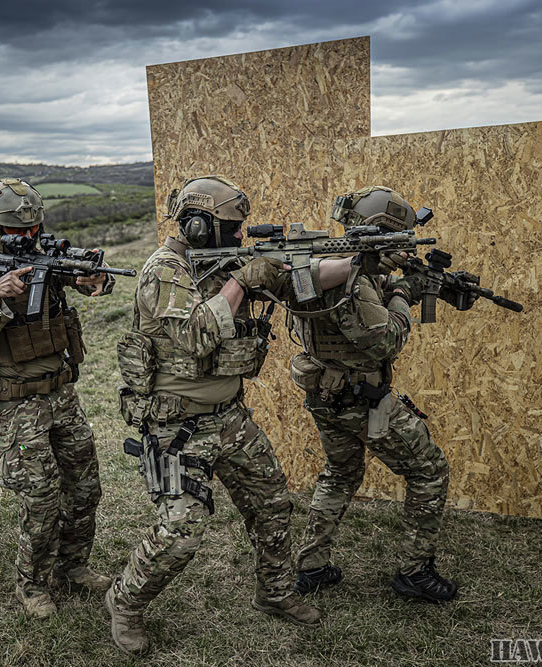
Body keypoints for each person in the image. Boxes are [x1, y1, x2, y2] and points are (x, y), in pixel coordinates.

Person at [106, 175, 359, 655]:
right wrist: (244, 280)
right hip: (174, 423)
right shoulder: (163, 271)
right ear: (198, 225)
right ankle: (125, 601)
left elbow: (298, 282)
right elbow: (199, 335)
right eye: (232, 228)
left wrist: (355, 266)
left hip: (228, 417)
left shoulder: (224, 264)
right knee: (181, 530)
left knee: (273, 506)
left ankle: (275, 592)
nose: (241, 238)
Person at [289, 185, 472, 602]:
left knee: (341, 474)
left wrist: (399, 279)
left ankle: (312, 567)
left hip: (326, 394)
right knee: (429, 470)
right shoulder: (352, 279)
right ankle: (414, 572)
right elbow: (384, 340)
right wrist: (404, 293)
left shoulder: (320, 263)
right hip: (360, 397)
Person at [0, 178, 112, 619]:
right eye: (15, 232)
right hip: (15, 403)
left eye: (33, 229)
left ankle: (72, 566)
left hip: (61, 393)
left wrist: (94, 280)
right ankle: (33, 584)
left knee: (85, 486)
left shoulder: (48, 261)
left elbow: (89, 281)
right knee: (40, 496)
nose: (26, 239)